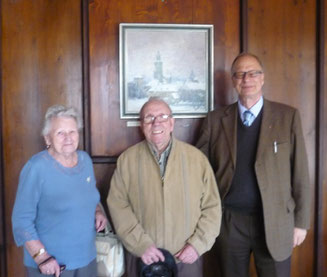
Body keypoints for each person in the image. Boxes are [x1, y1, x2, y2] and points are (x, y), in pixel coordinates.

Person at [196, 53, 311, 277]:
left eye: (253, 73)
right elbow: (199, 169)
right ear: (233, 81)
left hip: (276, 222)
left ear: (263, 78)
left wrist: (301, 223)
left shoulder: (287, 117)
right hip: (229, 223)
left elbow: (301, 174)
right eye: (240, 74)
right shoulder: (215, 119)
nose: (246, 78)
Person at [107, 98, 221, 277]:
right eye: (149, 118)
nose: (156, 122)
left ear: (171, 123)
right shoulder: (127, 160)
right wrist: (141, 245)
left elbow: (212, 208)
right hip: (142, 258)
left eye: (162, 116)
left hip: (185, 259)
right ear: (142, 125)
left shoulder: (197, 160)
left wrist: (197, 245)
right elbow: (118, 206)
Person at [12, 105, 107, 277]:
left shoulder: (85, 160)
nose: (68, 138)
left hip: (87, 259)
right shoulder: (36, 168)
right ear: (47, 138)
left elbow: (90, 195)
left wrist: (98, 211)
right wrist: (42, 257)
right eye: (60, 133)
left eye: (72, 132)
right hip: (53, 265)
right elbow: (21, 220)